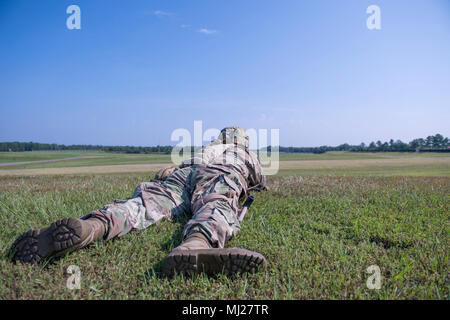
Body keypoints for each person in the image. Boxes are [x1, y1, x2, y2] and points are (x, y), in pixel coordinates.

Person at [9, 126, 267, 276]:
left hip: (183, 173)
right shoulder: (243, 153)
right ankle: (195, 245)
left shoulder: (202, 150)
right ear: (242, 142)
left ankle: (93, 226)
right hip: (219, 173)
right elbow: (258, 181)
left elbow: (164, 173)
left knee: (143, 206)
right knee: (216, 202)